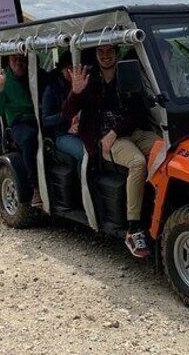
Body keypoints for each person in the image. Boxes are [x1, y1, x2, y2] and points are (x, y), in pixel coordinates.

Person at [62, 44, 160, 258]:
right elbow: (67, 112)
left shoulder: (127, 76)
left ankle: (159, 206)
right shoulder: (90, 80)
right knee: (137, 163)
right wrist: (75, 91)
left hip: (128, 133)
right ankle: (134, 227)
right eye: (101, 52)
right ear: (96, 55)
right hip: (105, 141)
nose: (106, 56)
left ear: (116, 53)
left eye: (110, 52)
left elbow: (138, 112)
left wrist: (116, 131)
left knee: (168, 150)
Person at [0, 54, 41, 206]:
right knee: (30, 139)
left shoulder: (39, 75)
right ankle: (35, 187)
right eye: (14, 59)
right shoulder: (3, 80)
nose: (18, 63)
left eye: (22, 59)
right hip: (21, 123)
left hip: (42, 118)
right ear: (8, 61)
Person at [41, 53, 84, 165]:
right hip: (63, 135)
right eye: (68, 70)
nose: (71, 74)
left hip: (86, 130)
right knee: (84, 153)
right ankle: (82, 182)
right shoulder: (52, 90)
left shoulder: (85, 85)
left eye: (74, 69)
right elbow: (45, 120)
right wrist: (67, 116)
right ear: (61, 70)